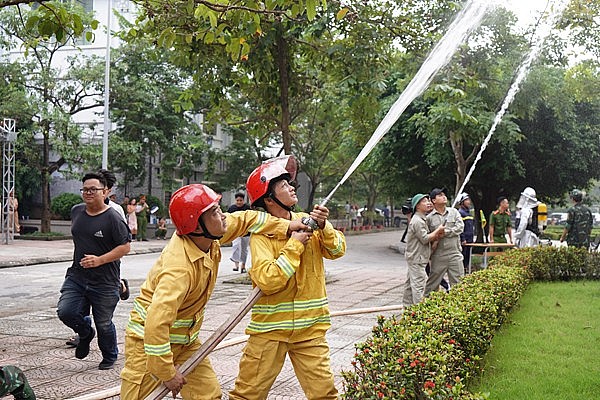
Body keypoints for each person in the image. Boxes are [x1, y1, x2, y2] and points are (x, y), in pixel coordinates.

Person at [120, 183, 307, 399]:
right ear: (198, 226)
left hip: (186, 342)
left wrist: (288, 226)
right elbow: (156, 324)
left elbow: (250, 219)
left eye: (219, 208)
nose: (224, 216)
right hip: (149, 347)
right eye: (215, 212)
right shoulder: (178, 269)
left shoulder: (208, 235)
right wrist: (167, 372)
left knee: (208, 395)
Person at [229, 155, 346, 400]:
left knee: (325, 394)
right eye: (283, 185)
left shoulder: (308, 223)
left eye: (289, 183)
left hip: (310, 330)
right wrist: (293, 246)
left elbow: (337, 251)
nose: (291, 187)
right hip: (270, 331)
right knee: (247, 394)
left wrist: (324, 226)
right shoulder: (263, 236)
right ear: (268, 199)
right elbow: (268, 280)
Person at [56, 172, 131, 370]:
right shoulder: (76, 211)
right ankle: (85, 333)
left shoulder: (113, 217)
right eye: (85, 189)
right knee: (66, 312)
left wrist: (99, 260)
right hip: (77, 275)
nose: (88, 193)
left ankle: (109, 355)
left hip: (105, 279)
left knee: (104, 323)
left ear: (105, 192)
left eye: (93, 189)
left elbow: (125, 247)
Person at [402, 194, 445, 306]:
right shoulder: (417, 221)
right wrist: (437, 231)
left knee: (409, 287)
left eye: (428, 201)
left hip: (416, 257)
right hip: (417, 259)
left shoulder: (421, 219)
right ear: (417, 206)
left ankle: (407, 310)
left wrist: (436, 236)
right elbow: (425, 239)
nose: (428, 203)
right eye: (424, 201)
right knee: (419, 287)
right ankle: (419, 313)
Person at [424, 188, 464, 296]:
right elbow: (427, 236)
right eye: (440, 195)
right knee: (432, 284)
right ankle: (427, 306)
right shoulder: (429, 218)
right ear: (433, 200)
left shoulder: (454, 212)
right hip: (438, 255)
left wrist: (446, 232)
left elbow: (460, 227)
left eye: (444, 195)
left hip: (454, 253)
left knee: (459, 283)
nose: (444, 197)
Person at [228, 192, 251, 273]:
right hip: (236, 232)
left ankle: (243, 266)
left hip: (246, 232)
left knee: (244, 250)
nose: (239, 202)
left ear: (243, 200)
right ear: (235, 200)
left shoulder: (247, 208)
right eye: (237, 200)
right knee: (236, 245)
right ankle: (236, 265)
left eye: (240, 200)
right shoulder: (231, 209)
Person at [458, 192, 475, 272]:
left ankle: (466, 269)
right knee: (463, 256)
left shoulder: (469, 213)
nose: (469, 202)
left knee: (468, 256)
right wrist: (462, 239)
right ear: (462, 202)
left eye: (469, 200)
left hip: (470, 239)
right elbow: (460, 228)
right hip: (464, 241)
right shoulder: (460, 213)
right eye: (466, 200)